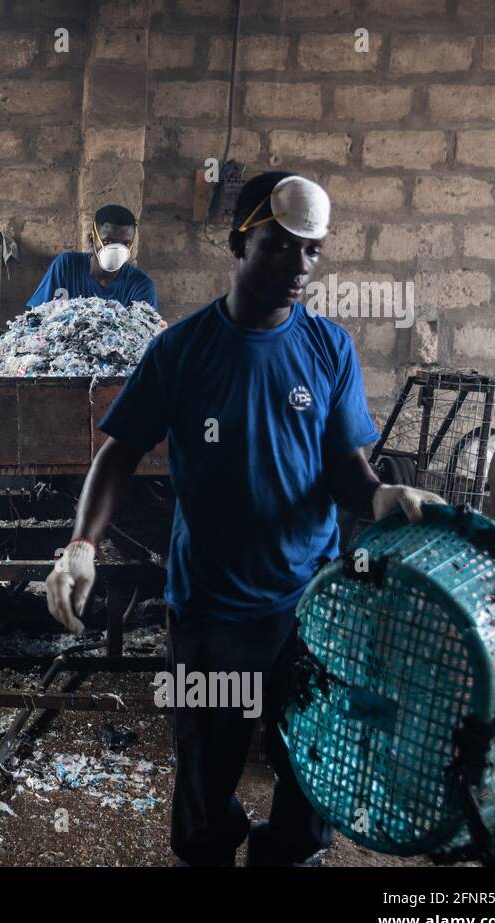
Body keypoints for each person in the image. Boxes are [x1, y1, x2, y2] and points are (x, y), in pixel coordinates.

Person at [44, 172, 444, 867]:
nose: (300, 267)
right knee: (205, 781)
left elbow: (345, 466)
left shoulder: (328, 349)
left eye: (313, 251)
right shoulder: (184, 350)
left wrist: (380, 497)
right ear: (241, 239)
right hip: (209, 614)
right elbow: (118, 453)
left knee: (312, 774)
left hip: (307, 609)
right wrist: (81, 544)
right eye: (281, 246)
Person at [27, 204, 158, 309]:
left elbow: (143, 337)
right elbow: (38, 316)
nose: (116, 249)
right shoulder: (66, 266)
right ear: (91, 240)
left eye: (125, 243)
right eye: (108, 241)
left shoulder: (141, 286)